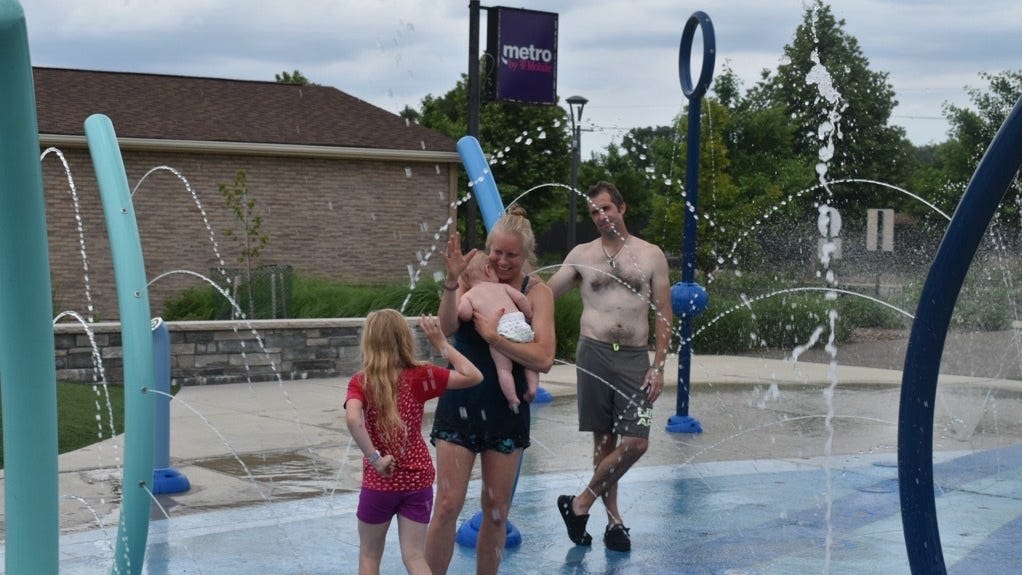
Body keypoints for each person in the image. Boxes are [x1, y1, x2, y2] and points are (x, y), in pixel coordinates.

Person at [425, 206, 556, 575]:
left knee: (496, 512)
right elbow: (449, 325)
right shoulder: (472, 279)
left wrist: (494, 338)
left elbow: (544, 357)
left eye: (511, 255)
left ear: (526, 255)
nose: (501, 261)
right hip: (462, 402)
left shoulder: (537, 292)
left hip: (506, 408)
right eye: (496, 252)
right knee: (447, 504)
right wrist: (452, 283)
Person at [546, 180, 673, 553]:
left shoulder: (651, 255)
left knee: (637, 441)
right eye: (595, 212)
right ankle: (614, 521)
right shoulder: (582, 254)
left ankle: (579, 503)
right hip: (594, 353)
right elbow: (544, 294)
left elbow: (665, 314)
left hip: (635, 358)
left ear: (622, 208)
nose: (601, 216)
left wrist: (659, 366)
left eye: (607, 208)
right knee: (605, 442)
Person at [344, 310, 484, 575]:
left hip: (380, 483)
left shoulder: (361, 382)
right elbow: (473, 375)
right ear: (405, 340)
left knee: (370, 556)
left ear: (369, 341)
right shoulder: (421, 376)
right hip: (417, 480)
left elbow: (353, 420)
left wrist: (375, 459)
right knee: (415, 557)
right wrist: (442, 344)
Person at [458, 251, 540, 413]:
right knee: (529, 363)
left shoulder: (469, 295)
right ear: (488, 270)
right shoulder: (503, 287)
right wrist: (528, 316)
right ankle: (532, 389)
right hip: (520, 324)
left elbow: (464, 314)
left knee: (503, 369)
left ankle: (512, 398)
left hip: (501, 331)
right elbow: (522, 300)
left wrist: (468, 307)